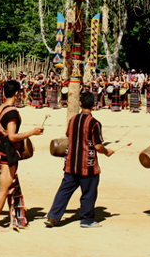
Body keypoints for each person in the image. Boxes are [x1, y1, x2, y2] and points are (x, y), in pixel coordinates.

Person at [0, 80, 44, 232]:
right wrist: (32, 133)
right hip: (6, 154)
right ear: (17, 93)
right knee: (5, 188)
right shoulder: (12, 112)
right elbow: (12, 136)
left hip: (1, 150)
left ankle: (12, 219)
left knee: (9, 186)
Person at [44, 92, 114, 228]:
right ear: (94, 105)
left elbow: (68, 135)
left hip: (71, 163)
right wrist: (107, 152)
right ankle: (86, 219)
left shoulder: (73, 120)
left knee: (64, 191)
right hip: (87, 164)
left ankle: (53, 217)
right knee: (89, 192)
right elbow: (98, 146)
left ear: (80, 104)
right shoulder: (94, 124)